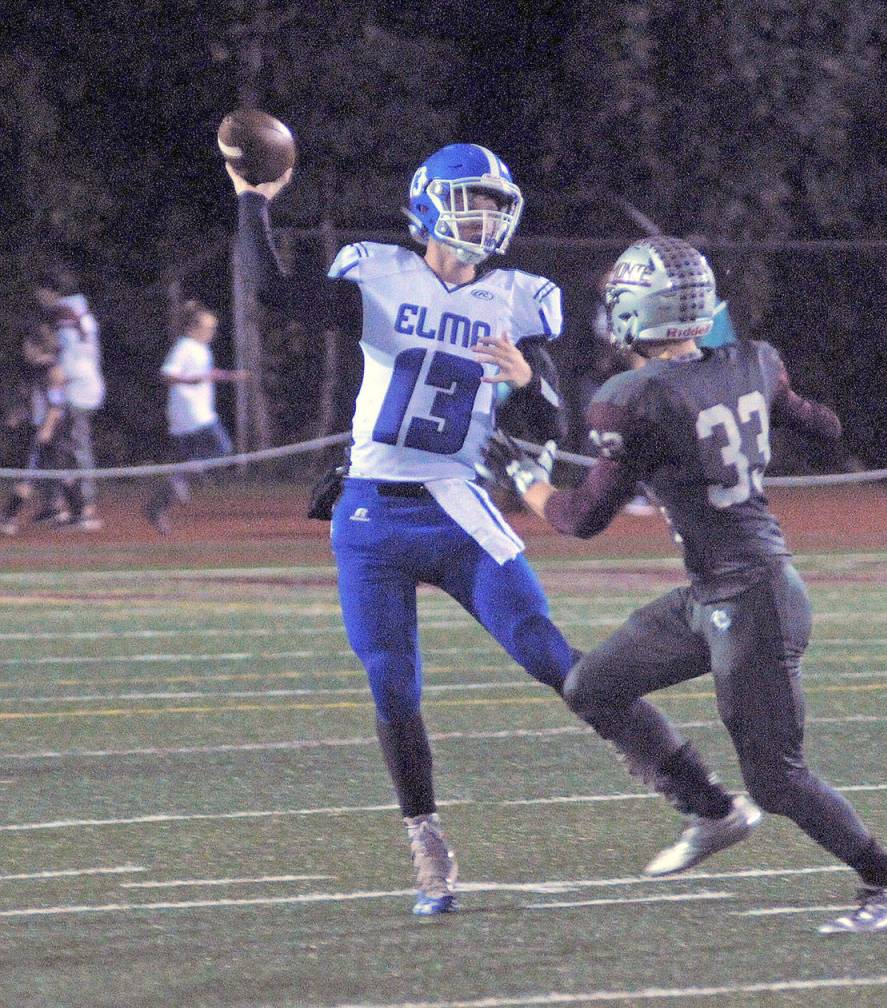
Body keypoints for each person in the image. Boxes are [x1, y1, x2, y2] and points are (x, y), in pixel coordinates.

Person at [228, 142, 676, 917]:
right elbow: (272, 291)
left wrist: (527, 382)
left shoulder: (516, 299)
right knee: (391, 680)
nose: (487, 219)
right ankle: (425, 837)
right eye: (474, 201)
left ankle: (680, 776)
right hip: (371, 510)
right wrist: (253, 199)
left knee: (546, 651)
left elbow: (547, 424)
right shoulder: (379, 275)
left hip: (455, 503)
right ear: (430, 202)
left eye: (498, 206)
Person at [480, 236, 887, 935]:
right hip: (716, 593)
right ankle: (710, 811)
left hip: (752, 601)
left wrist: (525, 479)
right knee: (592, 685)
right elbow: (826, 426)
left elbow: (579, 519)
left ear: (634, 313)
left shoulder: (633, 399)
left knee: (777, 779)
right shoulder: (756, 363)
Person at [144, 300, 247, 534]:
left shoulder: (200, 349)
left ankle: (156, 507)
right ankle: (180, 481)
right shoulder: (185, 347)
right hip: (192, 413)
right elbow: (167, 374)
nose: (212, 333)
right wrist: (190, 381)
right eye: (208, 328)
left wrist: (229, 376)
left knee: (187, 467)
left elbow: (205, 374)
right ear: (193, 328)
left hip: (192, 414)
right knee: (221, 447)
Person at [31, 266, 105, 530]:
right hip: (80, 385)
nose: (38, 298)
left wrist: (50, 362)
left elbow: (65, 353)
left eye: (40, 292)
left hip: (77, 388)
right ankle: (56, 504)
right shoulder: (79, 312)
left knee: (73, 447)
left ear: (50, 292)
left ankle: (84, 507)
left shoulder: (62, 312)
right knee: (60, 447)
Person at [1, 322, 85, 536]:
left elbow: (56, 404)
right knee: (61, 472)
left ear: (36, 346)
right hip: (44, 428)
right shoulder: (34, 371)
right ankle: (76, 513)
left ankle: (8, 517)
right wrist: (19, 416)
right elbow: (35, 402)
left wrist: (47, 428)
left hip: (54, 431)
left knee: (37, 472)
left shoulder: (52, 370)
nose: (24, 350)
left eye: (27, 346)